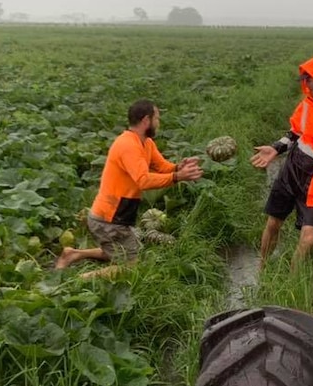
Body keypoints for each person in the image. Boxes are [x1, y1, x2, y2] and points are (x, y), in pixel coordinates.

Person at [55, 99, 203, 279]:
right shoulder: (128, 145)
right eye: (157, 118)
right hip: (108, 219)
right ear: (146, 120)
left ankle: (73, 254)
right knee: (132, 266)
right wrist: (178, 177)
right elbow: (143, 180)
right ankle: (79, 280)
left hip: (117, 215)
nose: (159, 123)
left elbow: (162, 166)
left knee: (123, 249)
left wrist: (179, 167)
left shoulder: (145, 143)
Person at [251, 53, 313, 269]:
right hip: (292, 170)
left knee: (309, 237)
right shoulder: (307, 105)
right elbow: (294, 133)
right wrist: (275, 149)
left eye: (308, 80)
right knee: (273, 222)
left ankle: (291, 280)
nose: (305, 85)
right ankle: (262, 268)